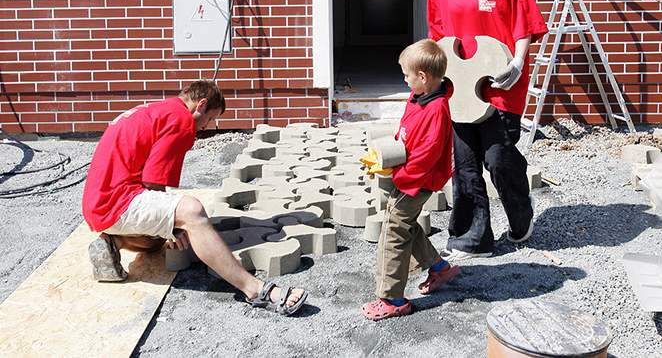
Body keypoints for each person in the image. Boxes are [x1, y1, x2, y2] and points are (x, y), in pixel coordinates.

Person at [81, 80, 308, 316]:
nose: (207, 127)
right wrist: (172, 226)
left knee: (166, 238)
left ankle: (112, 243)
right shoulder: (181, 121)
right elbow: (153, 183)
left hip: (98, 204)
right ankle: (255, 290)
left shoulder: (158, 110)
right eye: (210, 118)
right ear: (200, 104)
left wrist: (168, 229)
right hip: (117, 202)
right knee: (192, 212)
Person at [427, 0, 548, 260]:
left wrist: (518, 61)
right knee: (465, 166)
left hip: (501, 83)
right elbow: (438, 39)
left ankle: (520, 214)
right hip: (460, 88)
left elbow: (523, 23)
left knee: (499, 159)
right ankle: (470, 237)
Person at [361, 39, 461, 320]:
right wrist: (387, 157)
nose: (404, 80)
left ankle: (392, 298)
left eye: (406, 75)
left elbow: (427, 155)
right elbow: (406, 132)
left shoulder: (437, 110)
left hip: (417, 181)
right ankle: (440, 268)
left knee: (393, 231)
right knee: (404, 223)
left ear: (423, 77)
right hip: (409, 174)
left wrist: (400, 175)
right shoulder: (419, 97)